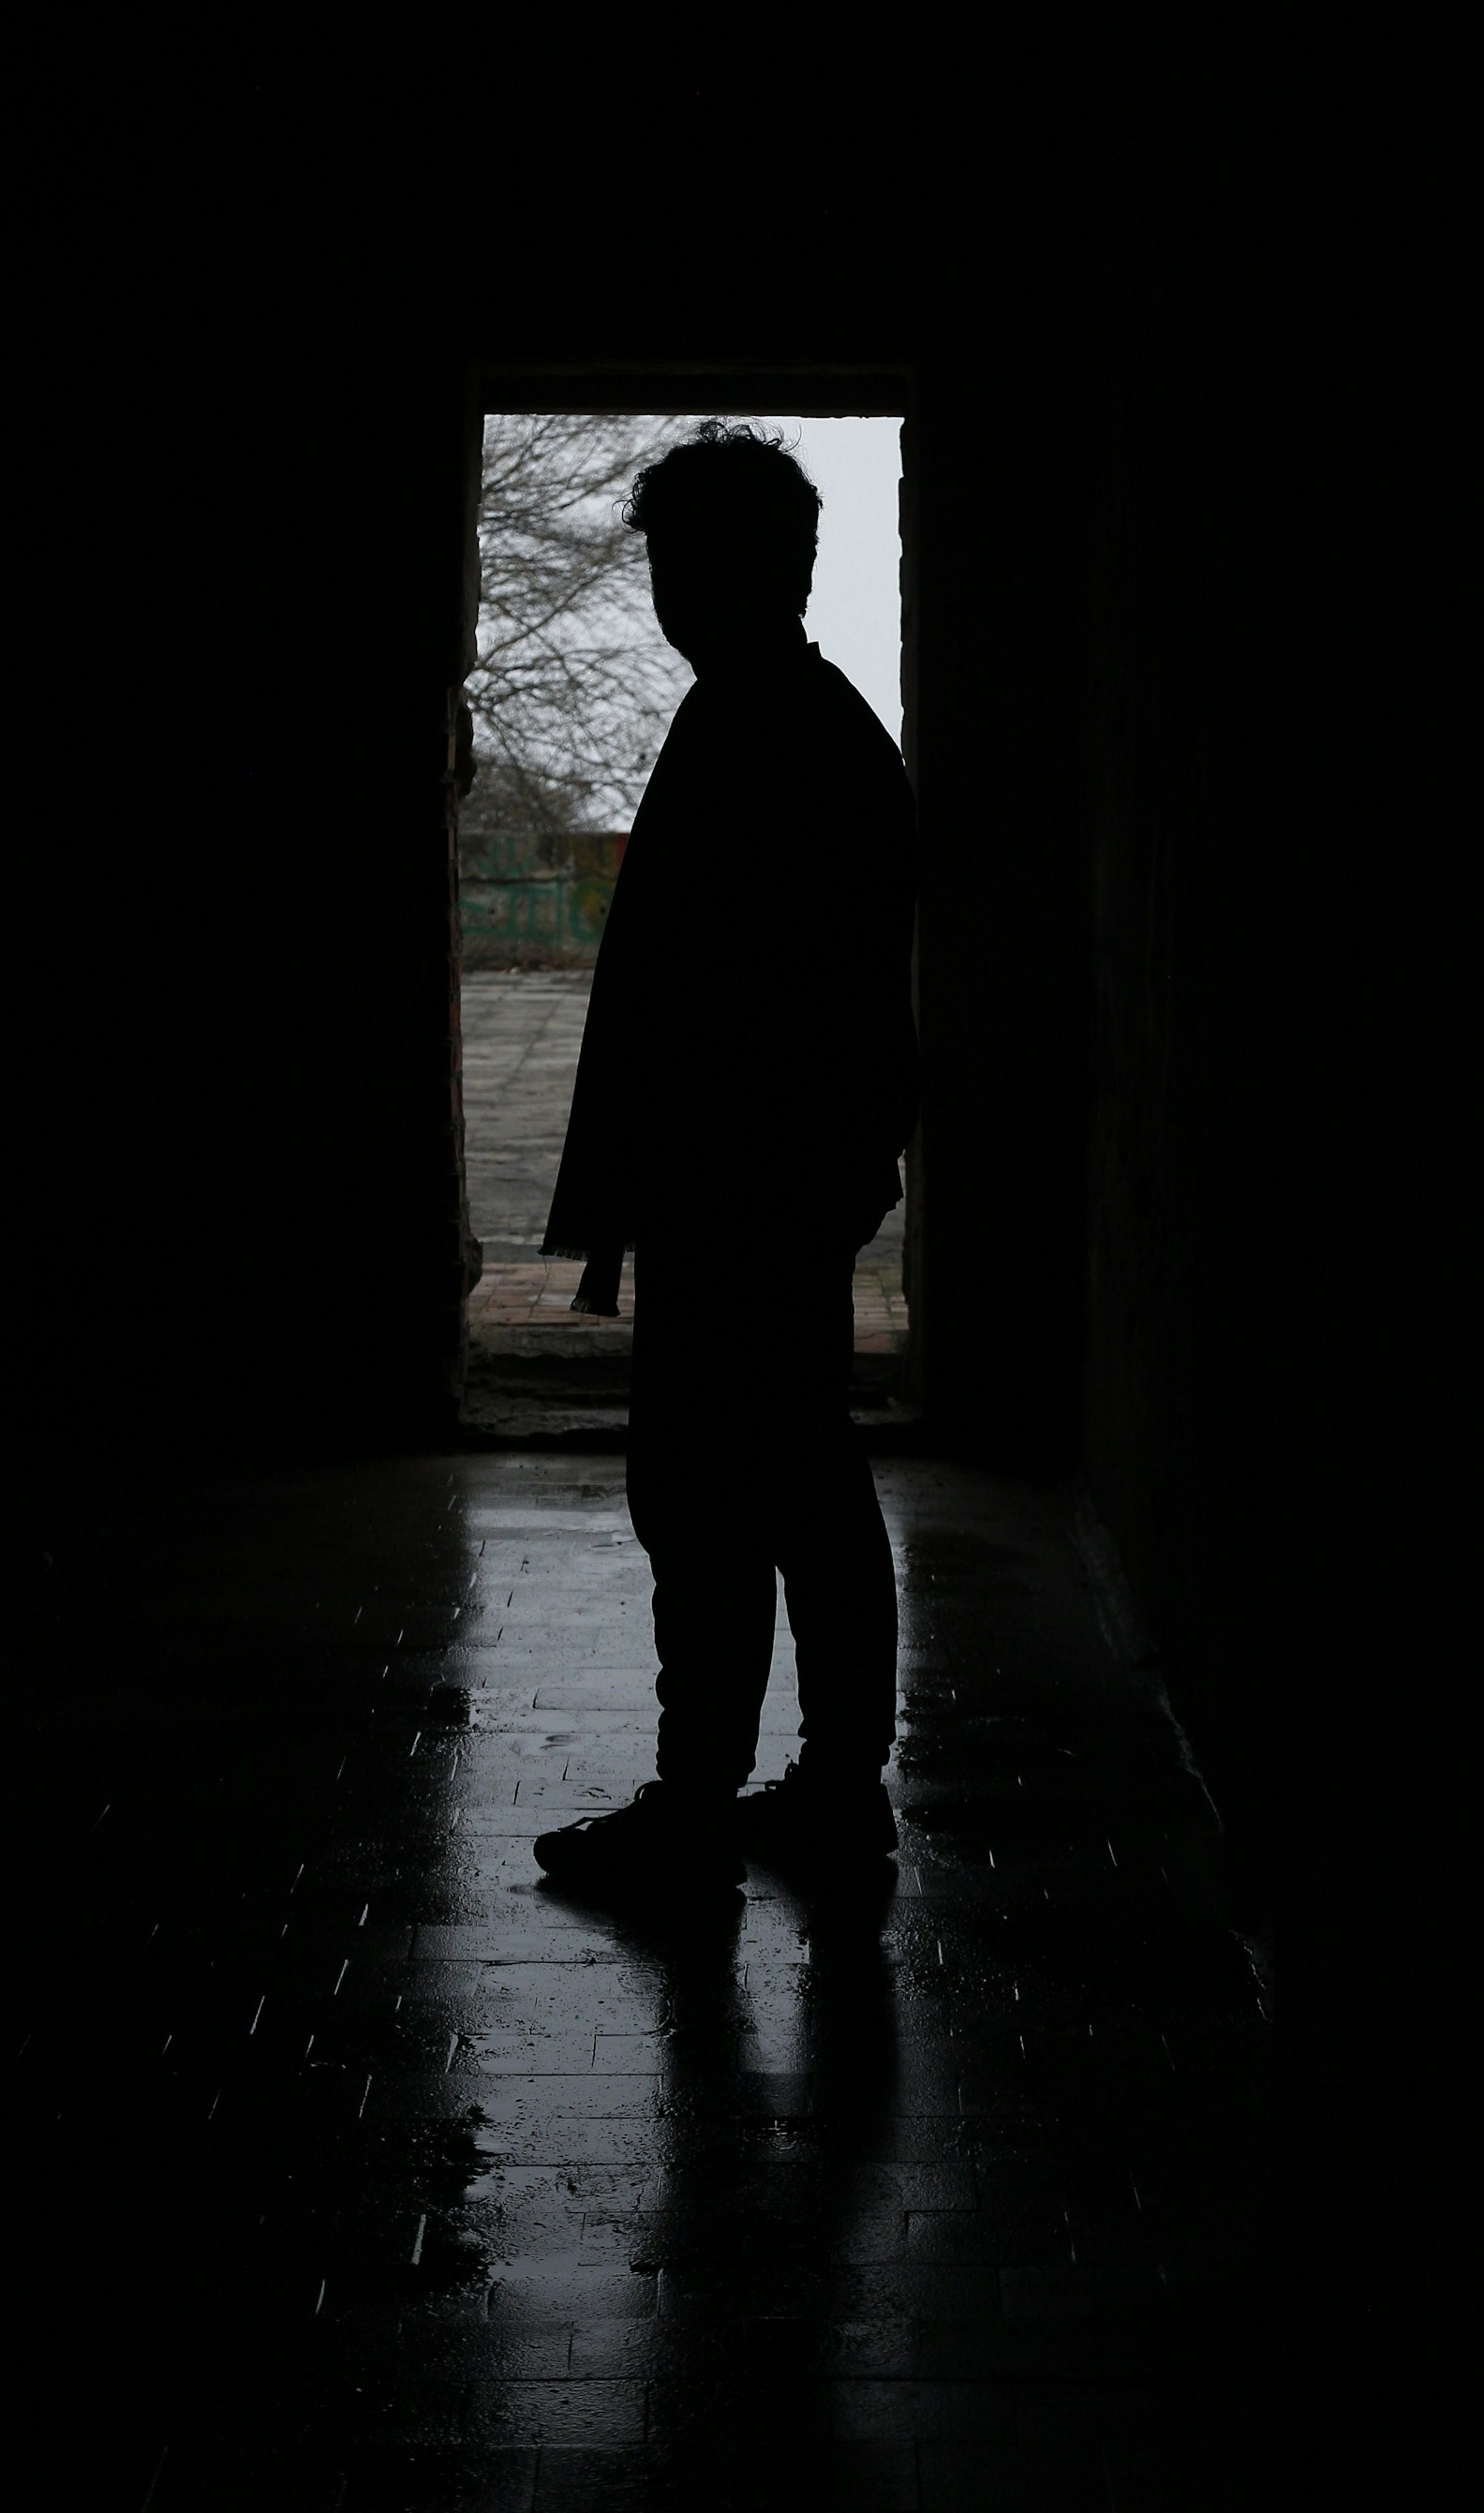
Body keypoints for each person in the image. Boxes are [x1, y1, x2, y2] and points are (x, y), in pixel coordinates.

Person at [531, 422, 920, 1897]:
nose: (665, 595)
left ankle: (724, 1795)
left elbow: (725, 1003)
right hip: (764, 1184)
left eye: (681, 563)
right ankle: (813, 1787)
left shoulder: (768, 731)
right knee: (780, 1482)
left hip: (746, 1187)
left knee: (725, 1493)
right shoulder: (794, 723)